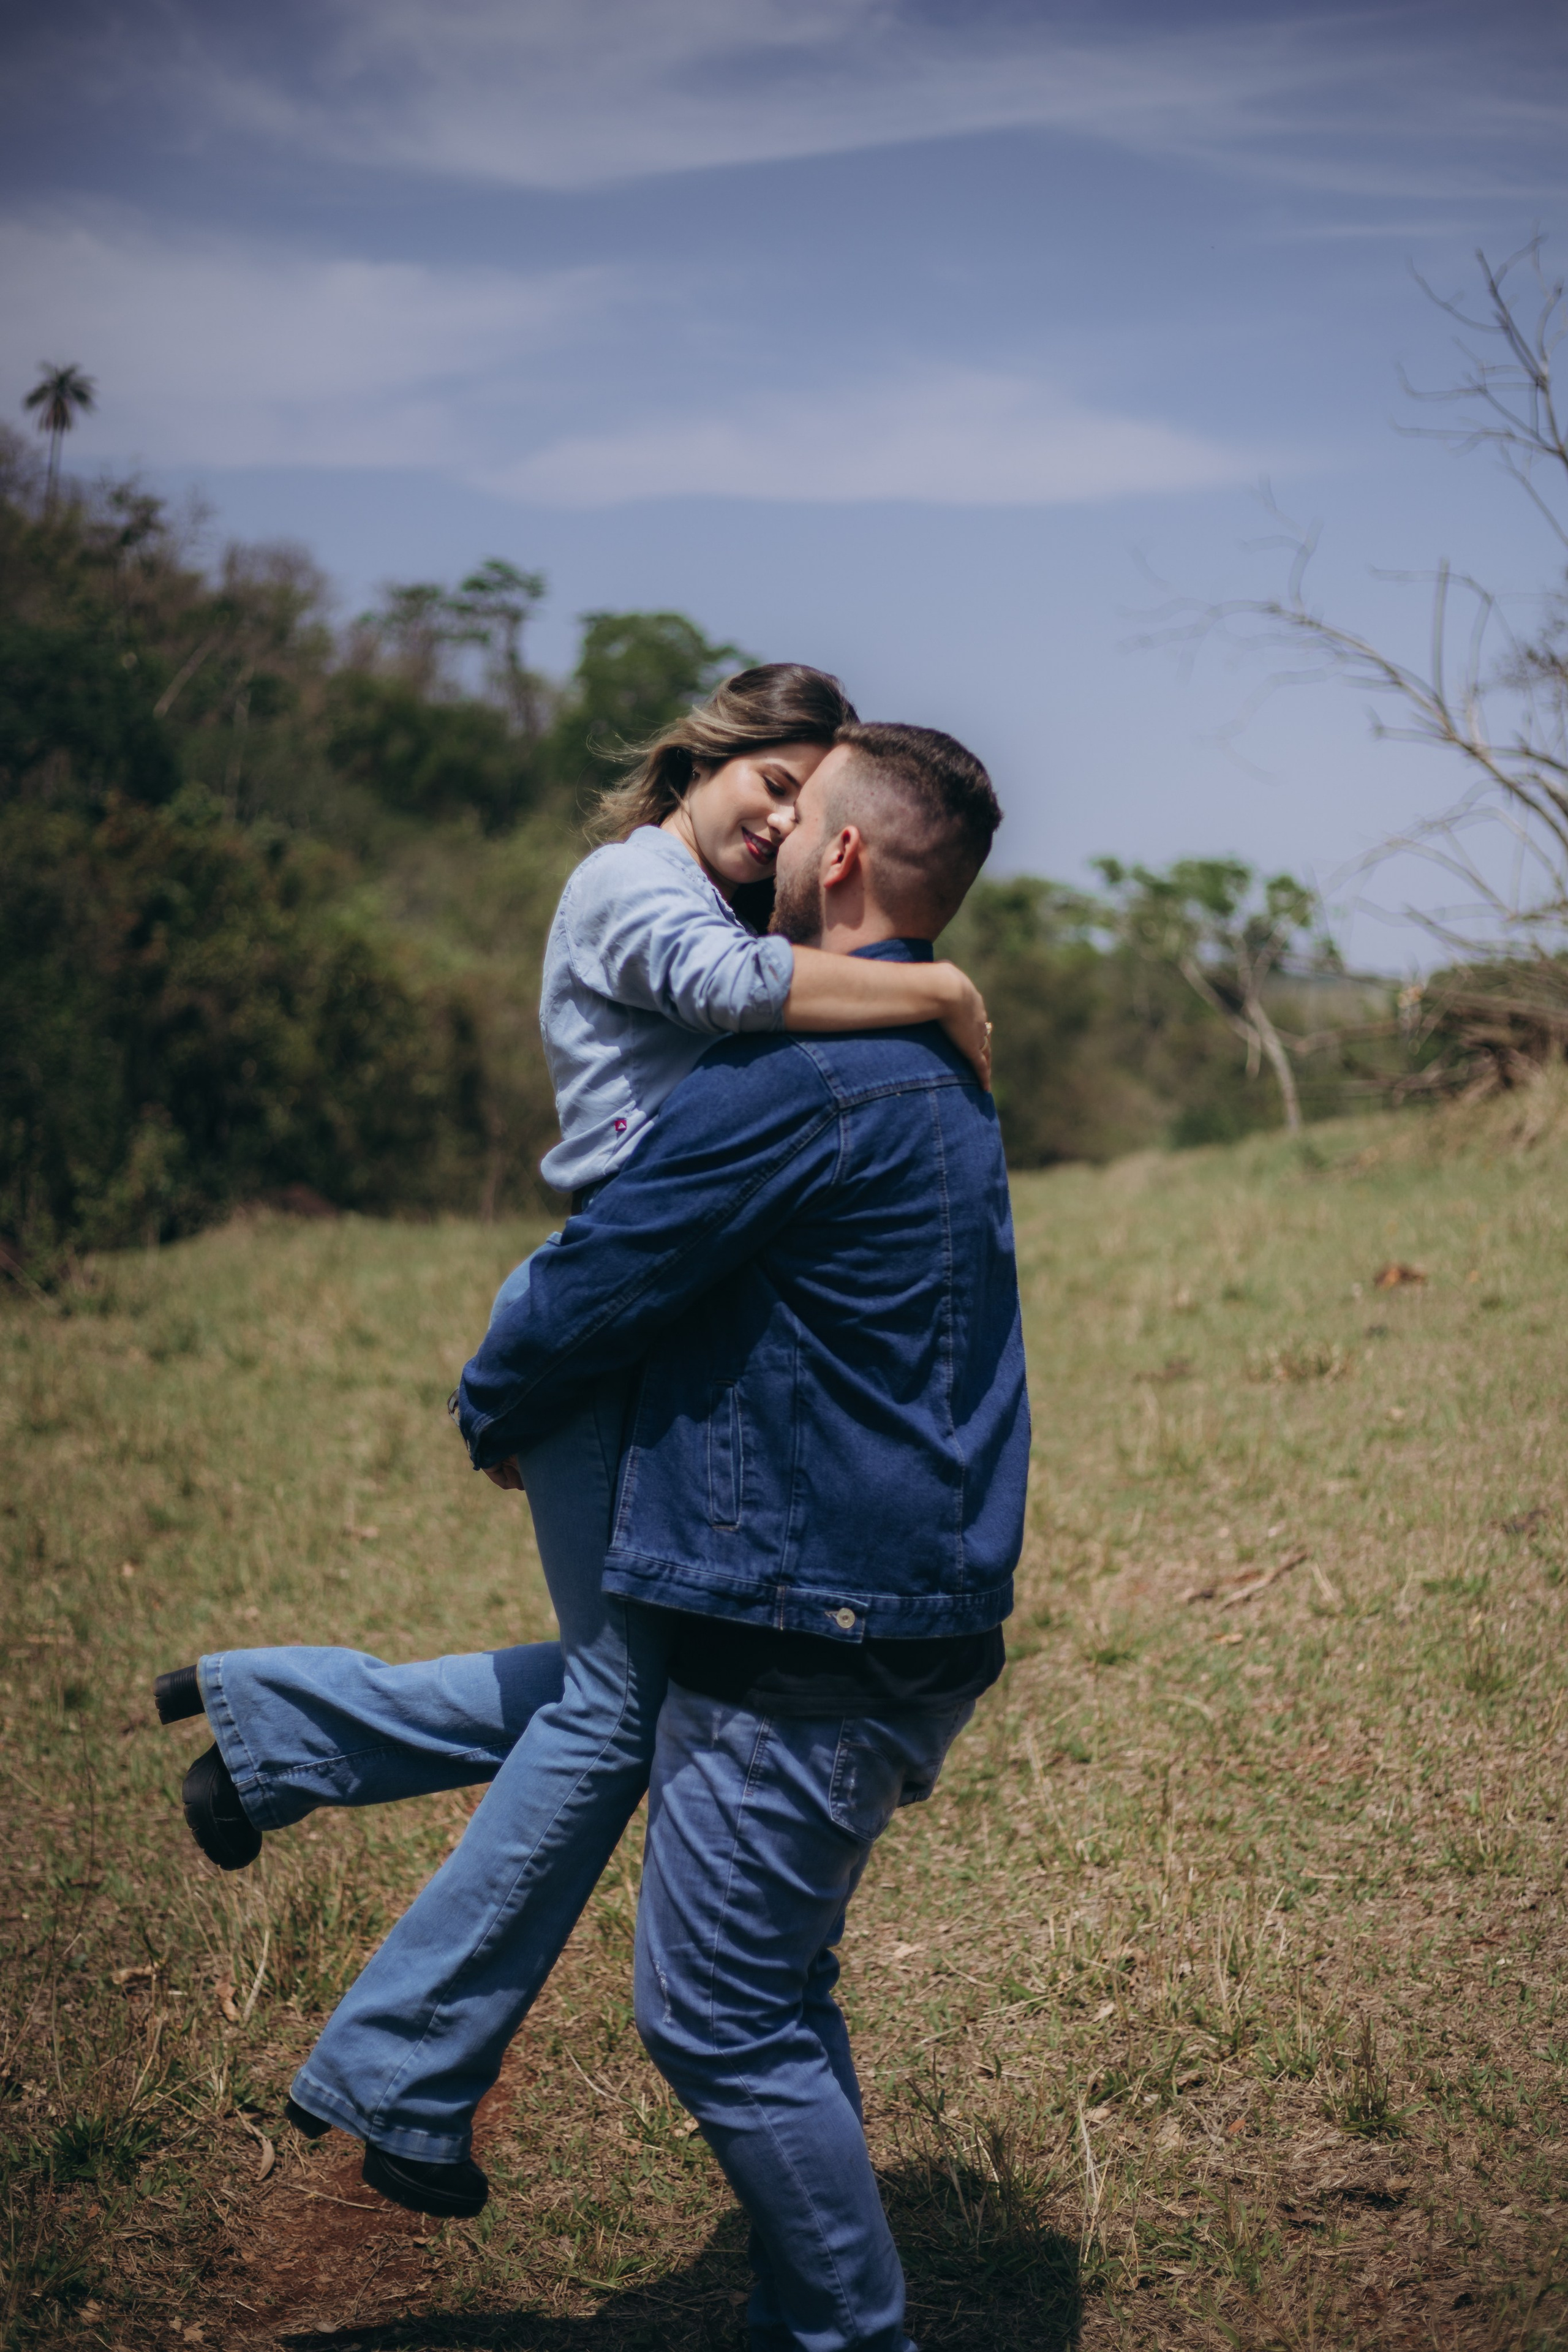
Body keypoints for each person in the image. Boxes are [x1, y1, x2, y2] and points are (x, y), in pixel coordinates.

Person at [156, 668, 994, 2220]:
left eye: (809, 803)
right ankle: (404, 2070)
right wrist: (937, 991)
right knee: (619, 1712)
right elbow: (749, 1012)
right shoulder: (629, 887)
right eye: (775, 784)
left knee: (637, 1685)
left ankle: (272, 1727)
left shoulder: (730, 909)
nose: (782, 824)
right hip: (611, 1287)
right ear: (715, 753)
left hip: (655, 1296)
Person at [455, 721, 1030, 2352]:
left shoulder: (794, 1077)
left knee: (710, 2017)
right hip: (913, 1610)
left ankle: (854, 2336)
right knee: (776, 1988)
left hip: (808, 1632)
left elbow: (603, 1272)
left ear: (839, 858)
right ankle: (806, 2311)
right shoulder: (937, 1067)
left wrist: (491, 1403)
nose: (766, 835)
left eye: (799, 815)